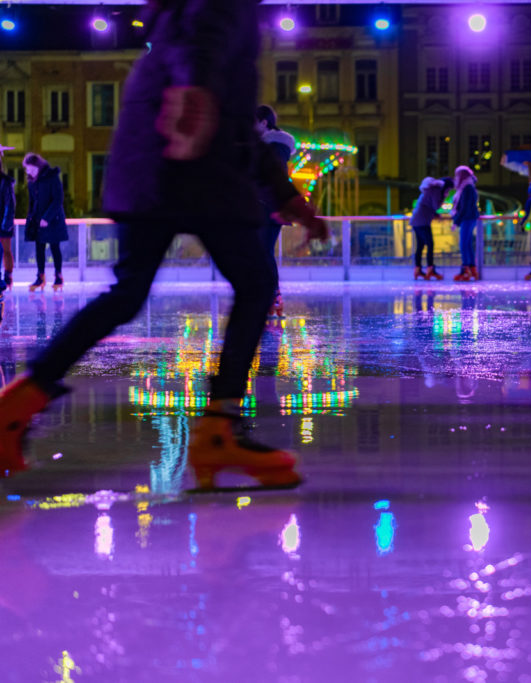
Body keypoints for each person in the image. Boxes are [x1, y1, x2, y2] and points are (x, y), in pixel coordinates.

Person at [0, 0, 326, 488]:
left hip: (155, 161)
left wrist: (285, 197)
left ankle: (17, 406)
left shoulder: (181, 20)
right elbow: (201, 45)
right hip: (188, 160)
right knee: (256, 282)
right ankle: (219, 427)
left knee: (129, 293)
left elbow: (234, 116)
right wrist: (192, 93)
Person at [254, 104, 296, 318]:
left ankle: (273, 296)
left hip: (268, 206)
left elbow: (274, 176)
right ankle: (270, 295)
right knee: (262, 251)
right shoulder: (270, 146)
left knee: (264, 251)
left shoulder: (274, 146)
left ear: (264, 122)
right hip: (266, 205)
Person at [22, 153, 67, 293]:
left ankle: (58, 276)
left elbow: (58, 199)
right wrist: (30, 218)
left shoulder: (52, 178)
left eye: (31, 168)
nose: (28, 171)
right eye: (27, 169)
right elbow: (32, 202)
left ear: (38, 167)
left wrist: (47, 218)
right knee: (39, 248)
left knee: (54, 247)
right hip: (37, 220)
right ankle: (40, 277)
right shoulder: (31, 182)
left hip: (53, 220)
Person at [410, 176, 453, 280]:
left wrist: (435, 214)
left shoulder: (430, 190)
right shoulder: (436, 191)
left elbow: (428, 205)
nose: (448, 191)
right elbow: (435, 206)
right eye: (448, 189)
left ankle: (418, 269)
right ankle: (430, 269)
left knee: (420, 246)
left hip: (417, 220)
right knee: (430, 244)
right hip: (422, 221)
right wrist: (444, 198)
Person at [451, 165, 480, 282]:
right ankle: (472, 269)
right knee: (467, 244)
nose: (456, 177)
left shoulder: (467, 188)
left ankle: (466, 270)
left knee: (463, 244)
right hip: (469, 218)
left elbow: (464, 207)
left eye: (457, 175)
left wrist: (456, 221)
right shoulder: (468, 187)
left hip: (467, 218)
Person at [0, 145, 14, 293]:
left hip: (4, 223)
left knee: (6, 250)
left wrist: (6, 224)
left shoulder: (5, 182)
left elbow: (10, 204)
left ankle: (8, 276)